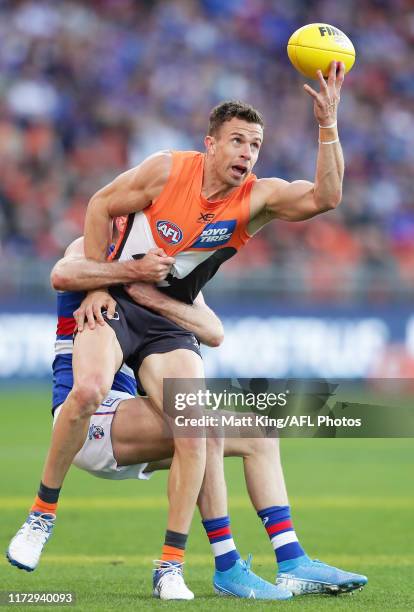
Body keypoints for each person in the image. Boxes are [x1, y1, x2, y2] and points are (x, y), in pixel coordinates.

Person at [9, 62, 365, 598]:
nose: (248, 152)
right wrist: (107, 284)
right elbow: (91, 220)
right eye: (238, 141)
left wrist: (328, 124)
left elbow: (325, 198)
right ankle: (43, 517)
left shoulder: (244, 211)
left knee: (224, 425)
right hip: (106, 364)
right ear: (210, 146)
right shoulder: (154, 186)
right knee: (104, 394)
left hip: (154, 336)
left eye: (256, 144)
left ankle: (224, 563)